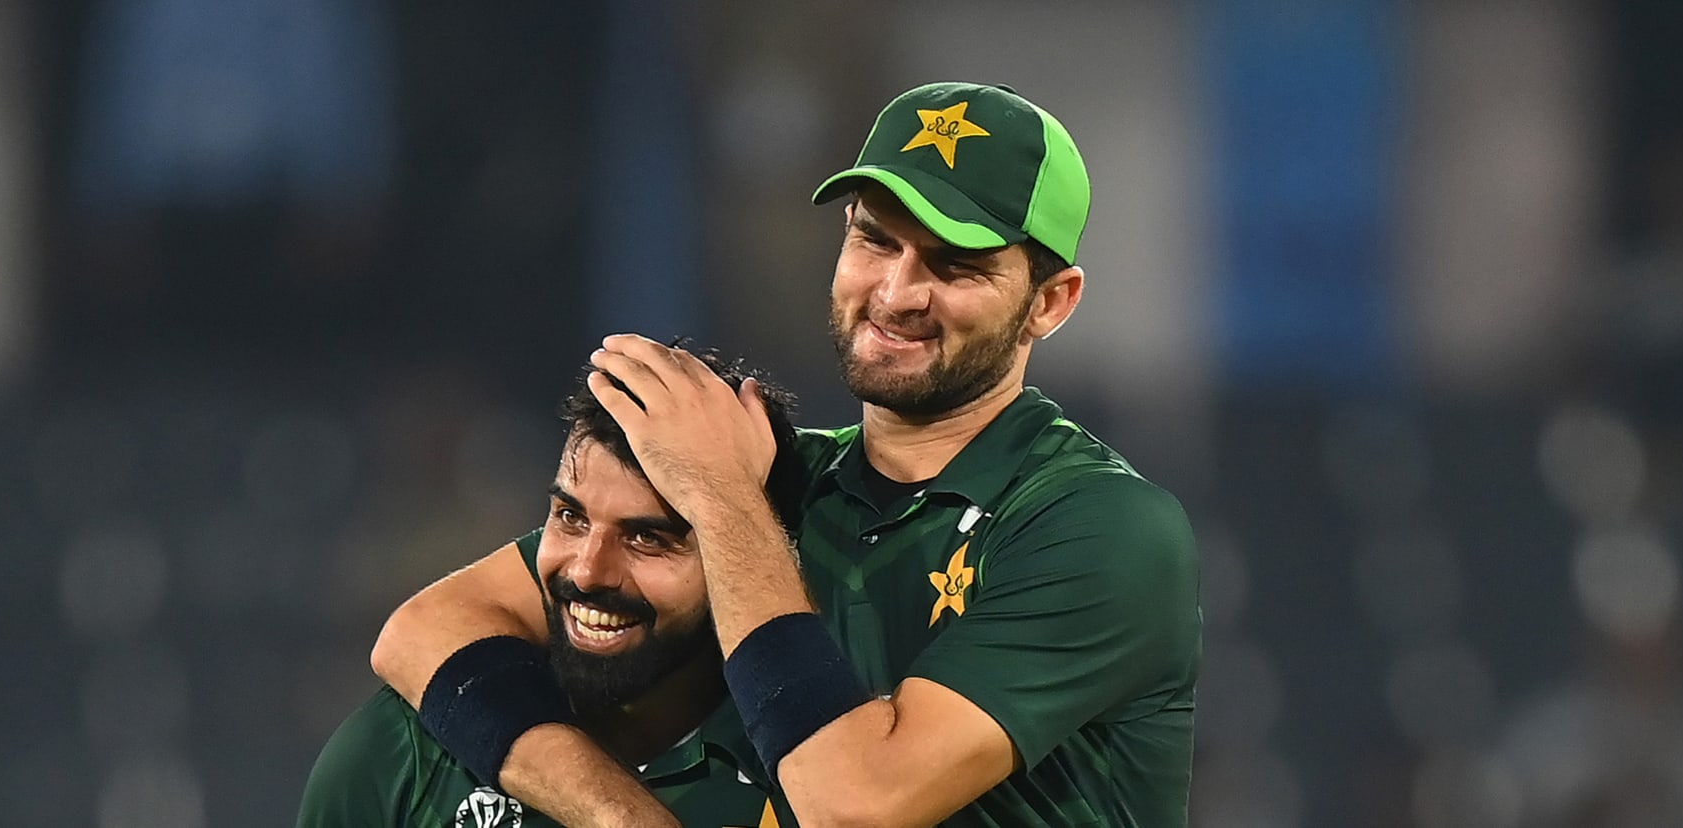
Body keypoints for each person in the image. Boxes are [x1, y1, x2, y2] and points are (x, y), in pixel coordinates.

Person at [374, 81, 1202, 827]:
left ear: (1049, 303)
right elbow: (424, 631)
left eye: (954, 265)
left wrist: (725, 500)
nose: (896, 293)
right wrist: (621, 819)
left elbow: (854, 805)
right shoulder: (784, 477)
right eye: (875, 241)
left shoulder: (1099, 526)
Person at [300, 353, 804, 828]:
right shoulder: (404, 753)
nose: (587, 572)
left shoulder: (807, 777)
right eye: (571, 517)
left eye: (648, 538)